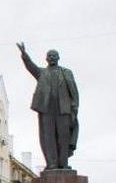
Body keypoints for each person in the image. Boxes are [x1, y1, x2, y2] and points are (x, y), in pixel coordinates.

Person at [16, 43, 79, 171]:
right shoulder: (42, 73)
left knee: (63, 137)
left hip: (63, 109)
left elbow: (74, 91)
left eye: (54, 56)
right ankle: (52, 164)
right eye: (49, 56)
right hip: (47, 109)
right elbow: (31, 67)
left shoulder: (67, 72)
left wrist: (74, 107)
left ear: (58, 58)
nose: (51, 58)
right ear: (46, 58)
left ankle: (63, 163)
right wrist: (24, 55)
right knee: (48, 137)